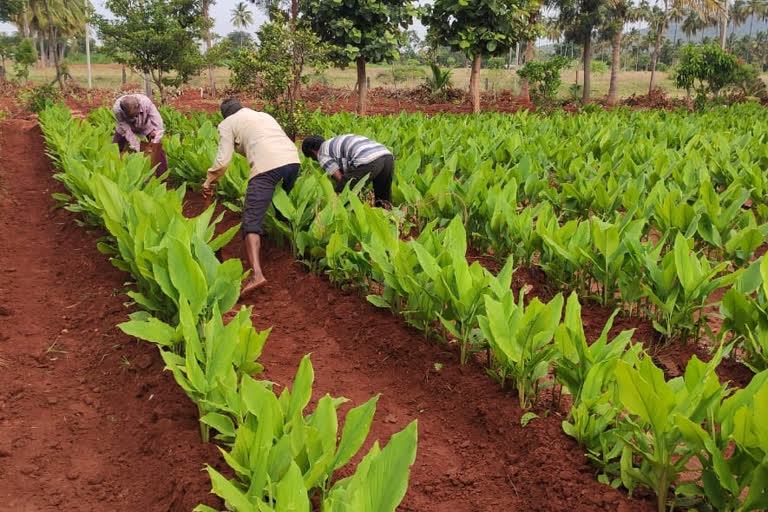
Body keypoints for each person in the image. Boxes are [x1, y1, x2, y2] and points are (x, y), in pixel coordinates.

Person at [202, 99, 301, 297]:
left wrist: (209, 181)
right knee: (279, 209)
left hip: (266, 168)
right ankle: (284, 251)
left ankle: (257, 274)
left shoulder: (227, 124)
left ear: (226, 115)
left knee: (250, 221)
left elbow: (222, 161)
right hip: (293, 162)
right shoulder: (263, 115)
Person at [301, 134, 394, 207]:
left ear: (313, 152)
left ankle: (348, 222)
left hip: (368, 160)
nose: (316, 160)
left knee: (342, 194)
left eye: (313, 158)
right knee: (383, 197)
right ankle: (387, 224)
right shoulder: (334, 141)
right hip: (387, 156)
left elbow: (340, 178)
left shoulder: (321, 153)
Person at [112, 94, 168, 176]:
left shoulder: (146, 103)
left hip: (146, 126)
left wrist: (153, 144)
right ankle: (113, 173)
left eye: (135, 115)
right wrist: (137, 147)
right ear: (123, 111)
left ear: (138, 107)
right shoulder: (117, 109)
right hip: (125, 128)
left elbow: (158, 125)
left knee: (158, 150)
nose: (134, 118)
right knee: (114, 148)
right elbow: (126, 130)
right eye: (130, 116)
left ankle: (163, 178)